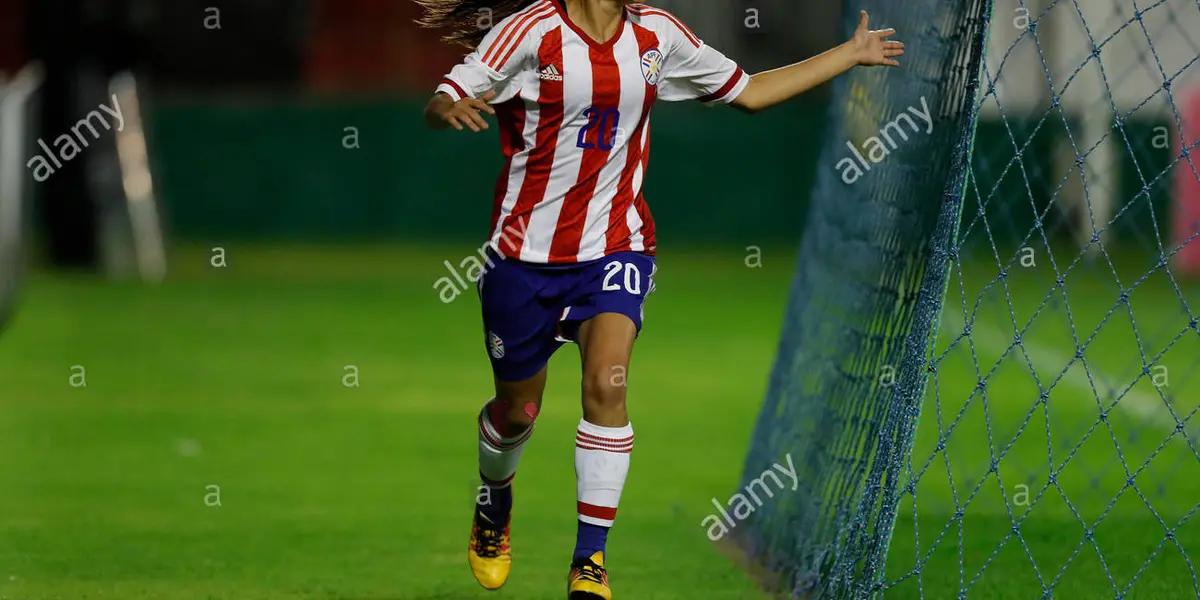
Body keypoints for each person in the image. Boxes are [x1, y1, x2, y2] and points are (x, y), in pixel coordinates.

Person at [417, 1, 903, 597]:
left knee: (608, 384)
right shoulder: (529, 32)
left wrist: (850, 55)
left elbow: (747, 92)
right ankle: (494, 500)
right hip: (523, 260)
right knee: (517, 411)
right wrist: (450, 108)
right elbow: (443, 98)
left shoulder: (656, 33)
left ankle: (589, 562)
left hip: (616, 247)